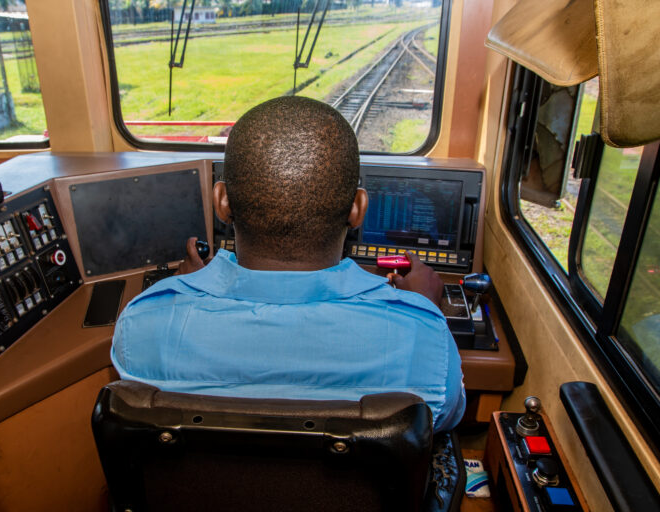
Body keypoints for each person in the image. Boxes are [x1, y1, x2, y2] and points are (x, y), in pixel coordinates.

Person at [111, 96, 465, 432]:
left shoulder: (141, 324)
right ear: (357, 209)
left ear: (221, 202)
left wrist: (184, 290)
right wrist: (423, 307)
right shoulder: (424, 335)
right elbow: (443, 418)